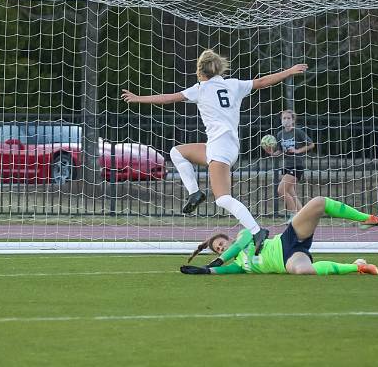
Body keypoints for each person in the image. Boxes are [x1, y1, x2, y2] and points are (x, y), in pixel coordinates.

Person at [122, 49, 307, 253]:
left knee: (223, 199)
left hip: (220, 149)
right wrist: (289, 71)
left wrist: (138, 98)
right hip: (222, 146)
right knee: (176, 152)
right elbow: (263, 81)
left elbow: (168, 98)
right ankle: (195, 194)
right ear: (218, 68)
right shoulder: (234, 85)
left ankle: (257, 231)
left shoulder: (200, 88)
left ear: (200, 71)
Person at [179, 196, 378, 276]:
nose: (221, 248)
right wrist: (205, 271)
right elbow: (225, 270)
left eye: (221, 244)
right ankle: (358, 266)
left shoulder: (245, 235)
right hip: (288, 260)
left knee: (318, 203)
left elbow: (237, 247)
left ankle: (366, 218)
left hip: (286, 240)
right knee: (303, 271)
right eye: (218, 249)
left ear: (228, 239)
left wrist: (216, 260)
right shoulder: (241, 265)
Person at [264, 109, 315, 221]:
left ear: (293, 120)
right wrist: (271, 153)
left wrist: (298, 150)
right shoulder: (279, 134)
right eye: (284, 118)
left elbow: (311, 145)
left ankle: (294, 215)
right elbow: (280, 151)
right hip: (286, 165)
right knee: (291, 193)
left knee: (281, 190)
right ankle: (303, 216)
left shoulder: (297, 132)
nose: (286, 120)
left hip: (297, 165)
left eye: (288, 118)